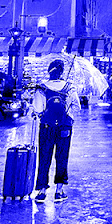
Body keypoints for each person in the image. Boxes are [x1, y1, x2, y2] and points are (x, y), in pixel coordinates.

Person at [33, 59, 80, 202]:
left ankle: (41, 191)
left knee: (44, 158)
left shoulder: (41, 88)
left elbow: (38, 109)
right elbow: (76, 106)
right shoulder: (69, 87)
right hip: (64, 128)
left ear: (49, 70)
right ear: (62, 71)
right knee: (62, 158)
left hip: (46, 127)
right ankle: (59, 191)